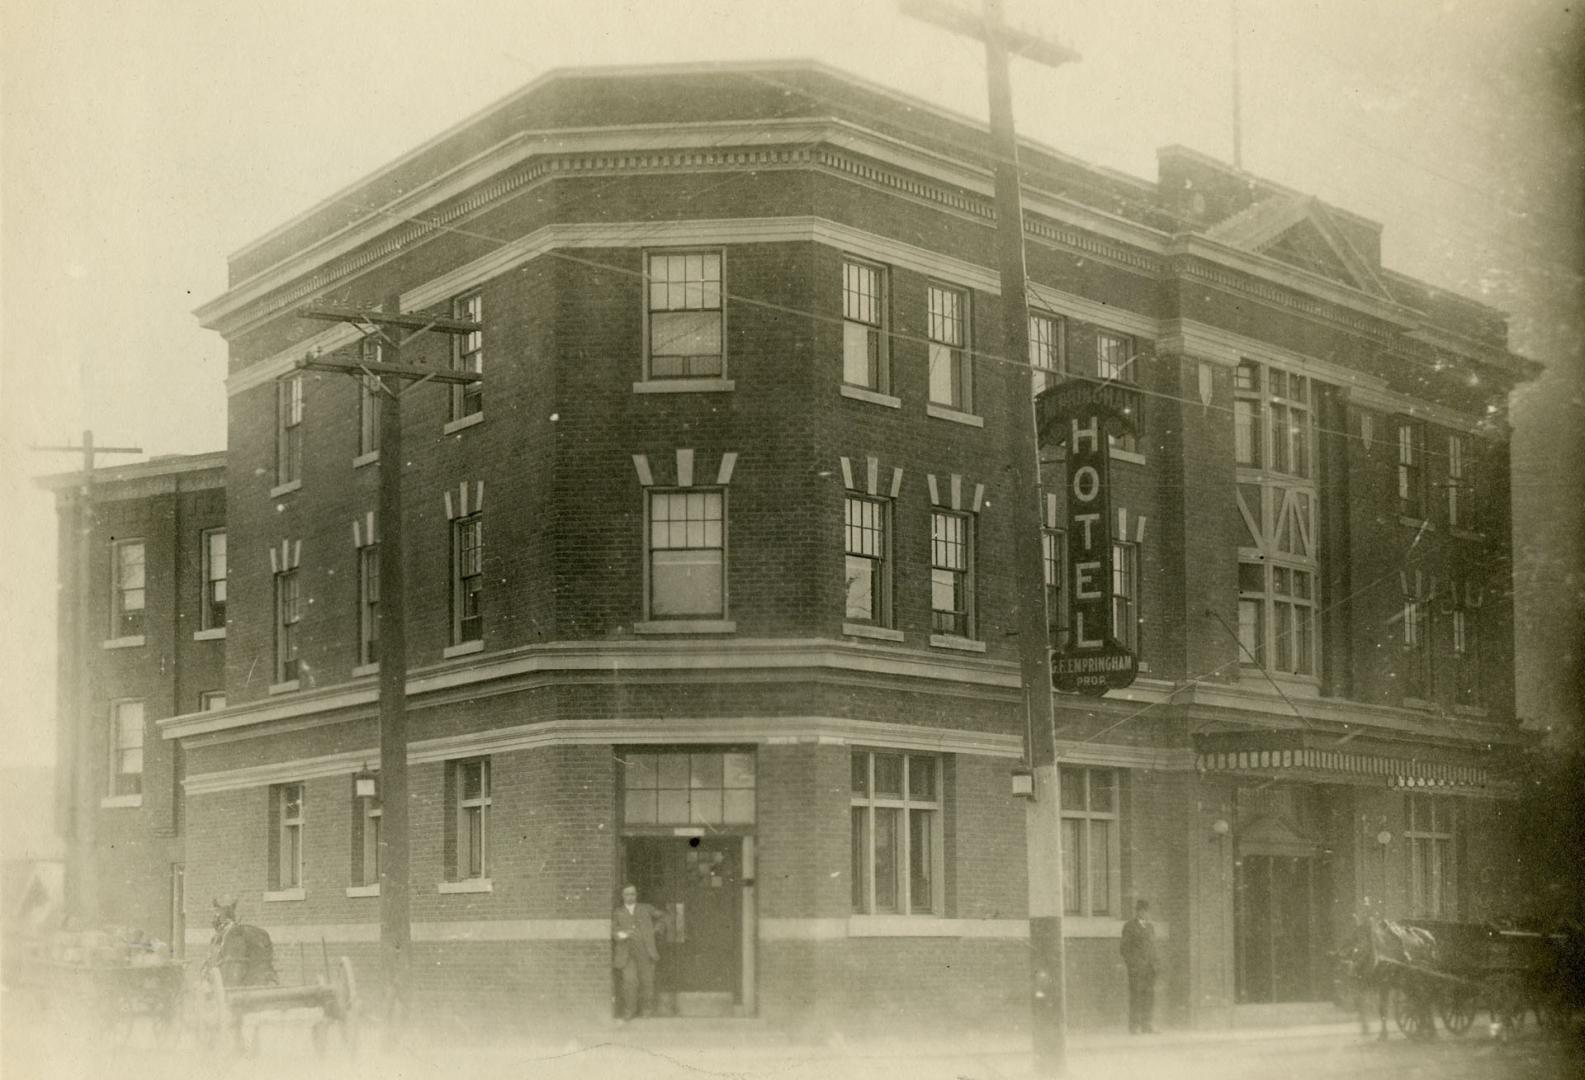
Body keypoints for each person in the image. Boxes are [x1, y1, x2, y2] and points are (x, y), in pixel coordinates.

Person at [611, 883, 664, 1022]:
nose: (630, 896)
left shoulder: (646, 909)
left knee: (647, 982)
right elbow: (615, 932)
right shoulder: (618, 912)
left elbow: (662, 916)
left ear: (636, 895)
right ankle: (630, 1011)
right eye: (627, 894)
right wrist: (625, 934)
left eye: (633, 894)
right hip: (627, 955)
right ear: (623, 896)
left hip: (646, 952)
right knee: (630, 982)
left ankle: (647, 1010)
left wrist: (656, 928)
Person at [1120, 898, 1158, 1034]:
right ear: (1138, 911)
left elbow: (1153, 947)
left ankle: (1147, 1025)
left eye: (1147, 911)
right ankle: (1134, 1026)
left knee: (1149, 996)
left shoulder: (1150, 927)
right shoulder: (1129, 926)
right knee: (1136, 996)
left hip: (1149, 969)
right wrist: (1133, 965)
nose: (1146, 914)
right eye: (1143, 911)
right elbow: (1124, 949)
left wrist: (1155, 964)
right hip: (1136, 969)